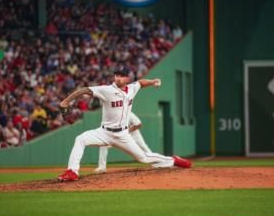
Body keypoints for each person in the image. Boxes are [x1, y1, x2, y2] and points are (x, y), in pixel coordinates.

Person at [57, 65, 192, 182]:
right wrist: (66, 101)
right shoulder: (107, 90)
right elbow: (85, 90)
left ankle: (173, 160)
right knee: (80, 139)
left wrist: (152, 81)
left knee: (143, 158)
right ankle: (72, 172)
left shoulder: (132, 88)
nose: (118, 78)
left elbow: (140, 83)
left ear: (127, 78)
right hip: (104, 132)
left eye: (122, 76)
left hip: (123, 134)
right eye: (116, 75)